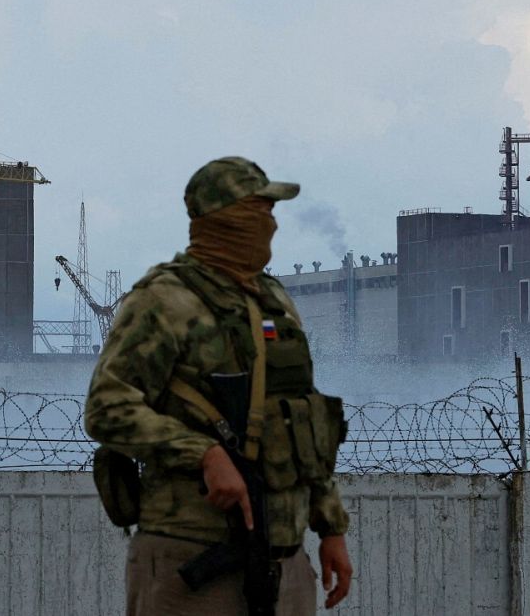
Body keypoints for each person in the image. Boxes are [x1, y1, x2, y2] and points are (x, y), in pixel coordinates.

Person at [85, 157, 354, 615]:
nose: (270, 224)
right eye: (259, 211)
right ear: (225, 219)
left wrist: (329, 527)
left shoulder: (274, 301)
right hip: (192, 554)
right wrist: (203, 454)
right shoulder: (164, 300)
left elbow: (302, 420)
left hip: (284, 557)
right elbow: (107, 407)